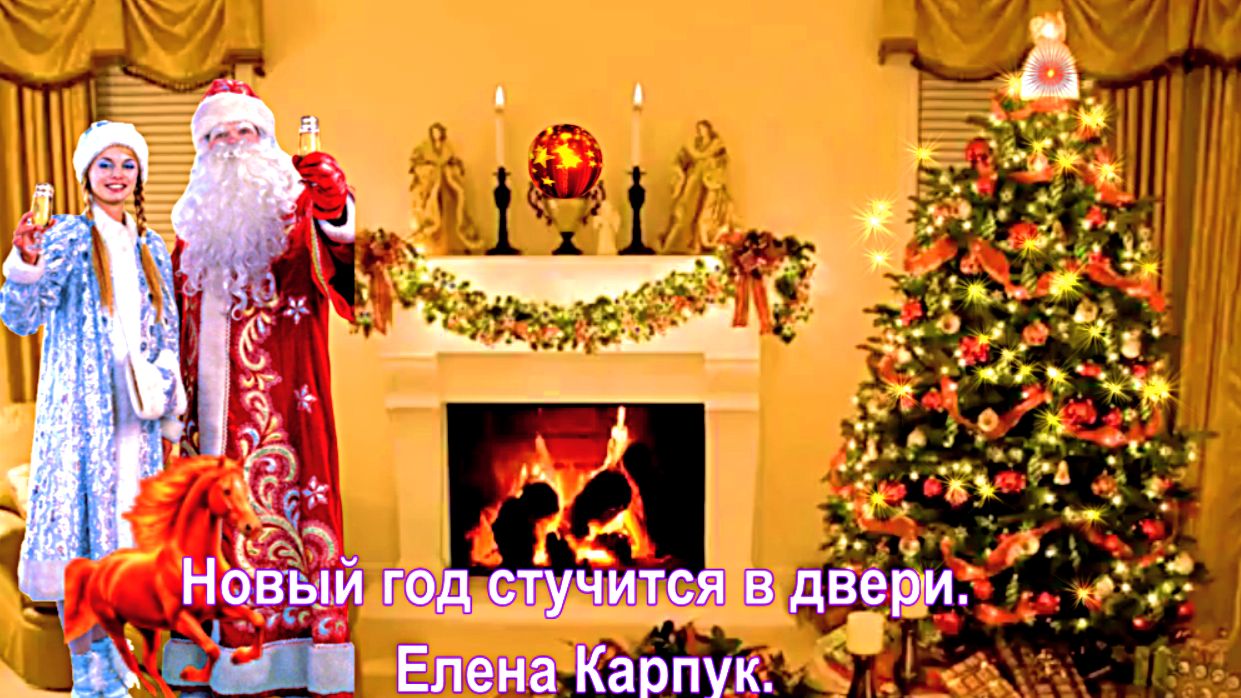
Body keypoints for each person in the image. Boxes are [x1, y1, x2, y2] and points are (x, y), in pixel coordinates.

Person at [158, 79, 356, 698]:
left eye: (245, 131)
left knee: (285, 538)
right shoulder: (189, 237)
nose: (233, 144)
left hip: (286, 428)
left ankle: (294, 665)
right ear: (202, 150)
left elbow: (349, 272)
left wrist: (336, 207)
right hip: (203, 442)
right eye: (217, 135)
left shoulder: (299, 222)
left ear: (267, 140)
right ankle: (213, 667)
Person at [0, 121, 185, 697]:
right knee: (79, 556)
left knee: (127, 557)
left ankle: (125, 678)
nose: (116, 174)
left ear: (140, 176)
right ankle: (92, 681)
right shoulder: (64, 238)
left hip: (139, 428)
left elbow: (168, 338)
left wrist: (171, 421)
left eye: (127, 164)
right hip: (79, 425)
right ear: (86, 173)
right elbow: (20, 317)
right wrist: (25, 261)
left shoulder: (154, 249)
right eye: (105, 163)